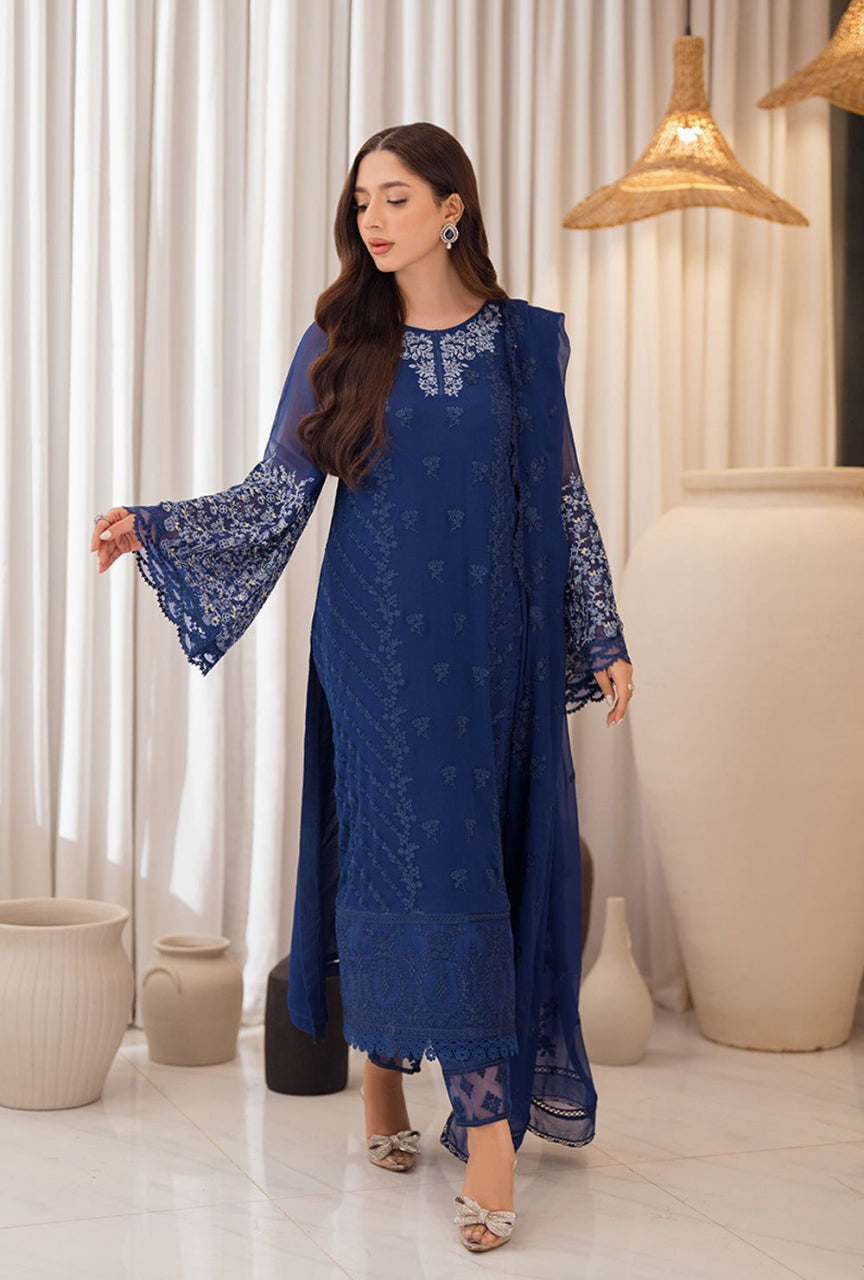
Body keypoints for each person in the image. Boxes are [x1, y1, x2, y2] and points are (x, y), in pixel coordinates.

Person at [91, 121, 634, 1254]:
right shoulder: (343, 336)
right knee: (402, 850)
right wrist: (155, 525)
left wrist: (601, 629)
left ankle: (407, 1082)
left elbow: (565, 499)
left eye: (394, 198)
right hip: (378, 642)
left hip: (492, 650)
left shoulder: (524, 347)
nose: (372, 221)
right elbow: (274, 492)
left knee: (466, 856)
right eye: (360, 203)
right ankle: (473, 1125)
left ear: (452, 208)